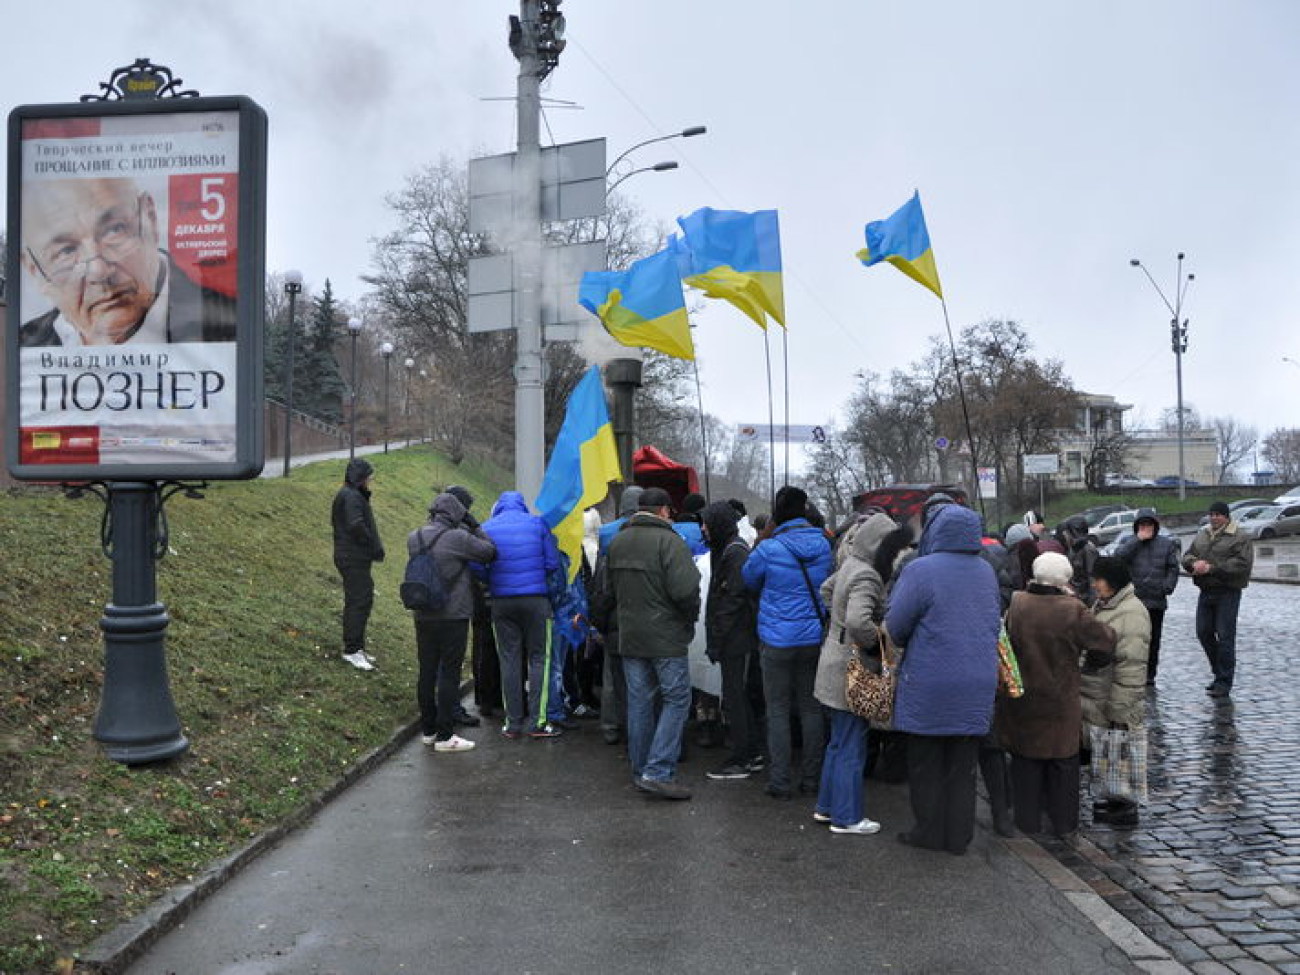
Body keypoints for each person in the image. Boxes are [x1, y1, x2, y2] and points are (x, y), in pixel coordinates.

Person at [884, 504, 1001, 855]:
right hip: (977, 681)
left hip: (931, 682)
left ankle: (929, 832)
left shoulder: (920, 570)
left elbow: (896, 626)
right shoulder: (986, 571)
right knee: (962, 767)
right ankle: (958, 836)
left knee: (926, 763)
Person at [19, 177, 237, 346]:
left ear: (150, 218)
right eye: (66, 251)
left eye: (115, 230)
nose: (98, 270)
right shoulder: (24, 346)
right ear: (33, 270)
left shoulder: (229, 325)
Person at [998, 552, 1116, 838]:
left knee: (1025, 759)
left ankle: (1027, 822)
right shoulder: (1070, 608)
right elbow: (1105, 641)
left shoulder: (1018, 602)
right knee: (1062, 761)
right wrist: (1090, 665)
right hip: (1059, 696)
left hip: (1022, 694)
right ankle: (1063, 824)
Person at [607, 487, 701, 799]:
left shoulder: (618, 541)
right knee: (676, 700)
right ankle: (658, 771)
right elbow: (685, 591)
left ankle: (641, 769)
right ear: (663, 510)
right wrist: (688, 621)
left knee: (639, 702)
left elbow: (608, 592)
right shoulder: (670, 542)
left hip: (630, 635)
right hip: (666, 636)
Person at [742, 485, 833, 799]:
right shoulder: (824, 546)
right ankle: (812, 779)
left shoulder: (769, 548)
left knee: (777, 710)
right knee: (811, 709)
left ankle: (780, 781)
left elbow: (748, 579)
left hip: (775, 640)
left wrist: (763, 540)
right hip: (812, 640)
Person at [812, 512, 895, 835]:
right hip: (852, 669)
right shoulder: (869, 576)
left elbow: (826, 591)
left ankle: (827, 806)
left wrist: (837, 628)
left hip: (832, 662)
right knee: (851, 745)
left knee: (838, 742)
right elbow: (861, 621)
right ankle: (847, 817)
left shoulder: (849, 564)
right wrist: (877, 643)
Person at [407, 491, 497, 752]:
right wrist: (475, 525)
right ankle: (446, 736)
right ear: (456, 515)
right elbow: (490, 552)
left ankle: (429, 731)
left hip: (423, 614)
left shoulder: (415, 537)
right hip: (452, 615)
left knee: (426, 671)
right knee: (449, 672)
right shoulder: (458, 538)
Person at [478, 490, 564, 739]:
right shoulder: (537, 524)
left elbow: (475, 563)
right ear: (522, 506)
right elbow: (552, 563)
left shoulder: (487, 527)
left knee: (509, 659)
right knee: (540, 658)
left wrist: (492, 579)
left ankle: (512, 723)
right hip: (536, 600)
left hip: (501, 603)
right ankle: (537, 721)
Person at [1085, 557, 1151, 828]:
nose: (1094, 584)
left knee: (1122, 751)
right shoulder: (1105, 605)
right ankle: (1114, 800)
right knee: (1110, 751)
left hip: (1117, 695)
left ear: (1113, 581)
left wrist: (1121, 706)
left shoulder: (1132, 612)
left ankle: (1126, 808)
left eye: (1099, 579)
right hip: (1101, 691)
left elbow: (1132, 665)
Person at [701, 500, 763, 781]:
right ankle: (750, 751)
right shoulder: (727, 550)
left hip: (736, 638)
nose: (703, 529)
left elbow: (731, 599)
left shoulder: (734, 553)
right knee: (737, 695)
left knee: (735, 697)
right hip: (735, 636)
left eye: (706, 523)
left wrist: (717, 636)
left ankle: (742, 757)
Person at [1181, 501, 1254, 697]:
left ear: (1226, 517)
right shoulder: (1203, 534)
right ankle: (1218, 672)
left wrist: (1212, 568)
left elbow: (1242, 564)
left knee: (1225, 637)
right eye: (1211, 514)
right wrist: (1193, 564)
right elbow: (1188, 555)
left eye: (1218, 514)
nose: (1214, 518)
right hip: (1206, 590)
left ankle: (1224, 681)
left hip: (1228, 591)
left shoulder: (1239, 536)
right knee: (1203, 632)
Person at [592, 485, 643, 745]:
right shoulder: (653, 535)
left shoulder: (607, 534)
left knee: (611, 677)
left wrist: (597, 623)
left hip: (613, 620)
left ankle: (611, 726)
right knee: (640, 679)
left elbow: (602, 585)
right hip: (642, 620)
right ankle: (638, 727)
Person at [1112, 508, 1180, 685]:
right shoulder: (1130, 542)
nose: (1146, 528)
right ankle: (1133, 670)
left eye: (1149, 524)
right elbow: (1118, 558)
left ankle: (1150, 673)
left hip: (1156, 600)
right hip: (1135, 600)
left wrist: (1167, 587)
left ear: (1155, 526)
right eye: (1142, 525)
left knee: (1153, 639)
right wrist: (1137, 540)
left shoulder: (1166, 544)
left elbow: (1173, 568)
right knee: (1132, 638)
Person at [331, 458, 385, 671]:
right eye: (368, 477)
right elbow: (356, 525)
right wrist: (371, 545)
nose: (370, 481)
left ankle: (357, 647)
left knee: (362, 599)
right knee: (358, 601)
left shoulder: (349, 494)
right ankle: (352, 650)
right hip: (353, 557)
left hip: (353, 556)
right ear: (359, 478)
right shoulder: (351, 497)